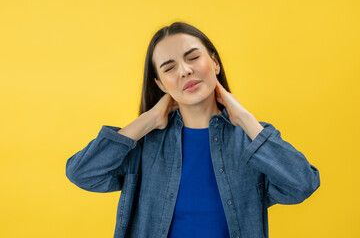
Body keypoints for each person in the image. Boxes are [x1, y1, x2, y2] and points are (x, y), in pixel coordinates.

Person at [65, 21, 320, 238]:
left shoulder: (252, 139)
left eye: (193, 57)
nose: (185, 71)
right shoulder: (145, 144)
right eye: (169, 68)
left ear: (215, 63)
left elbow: (302, 185)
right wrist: (149, 119)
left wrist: (245, 118)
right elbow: (82, 173)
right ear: (160, 84)